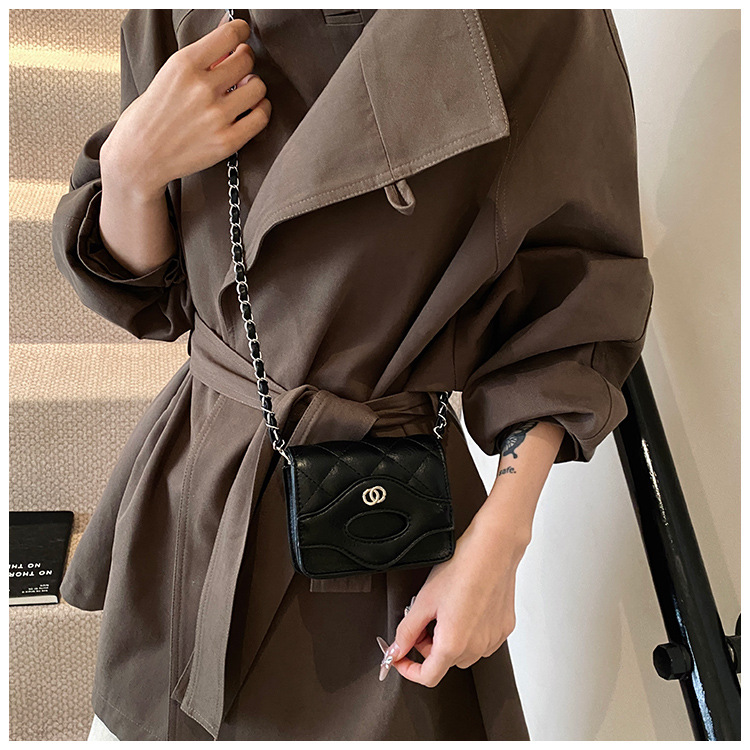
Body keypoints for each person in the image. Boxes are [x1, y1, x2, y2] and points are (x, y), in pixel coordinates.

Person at [52, 9, 654, 741]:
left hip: (387, 518)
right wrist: (128, 172)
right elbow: (159, 293)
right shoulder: (180, 14)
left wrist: (503, 538)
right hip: (199, 486)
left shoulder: (536, 22)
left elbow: (573, 301)